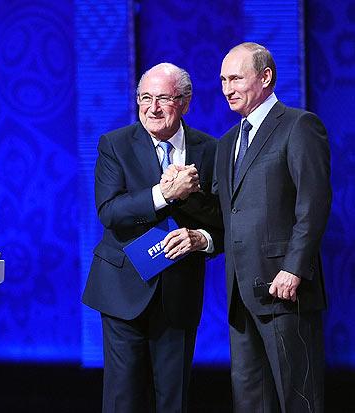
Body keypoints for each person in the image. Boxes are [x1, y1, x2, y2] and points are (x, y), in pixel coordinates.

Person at [82, 63, 222, 412]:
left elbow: (225, 220)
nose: (152, 108)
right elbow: (109, 212)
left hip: (179, 291)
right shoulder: (114, 144)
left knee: (173, 400)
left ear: (185, 102)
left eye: (162, 98)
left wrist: (202, 238)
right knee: (123, 399)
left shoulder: (211, 149)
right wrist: (164, 193)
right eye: (145, 98)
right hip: (122, 288)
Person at [214, 42, 331, 412]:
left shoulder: (299, 125)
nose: (227, 88)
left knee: (299, 398)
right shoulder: (227, 142)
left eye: (236, 78)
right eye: (222, 80)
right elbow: (226, 211)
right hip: (241, 294)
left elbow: (313, 203)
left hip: (284, 291)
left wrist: (294, 267)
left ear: (265, 77)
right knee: (250, 401)